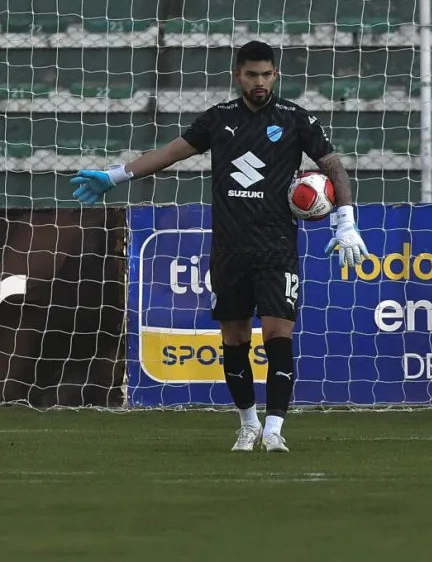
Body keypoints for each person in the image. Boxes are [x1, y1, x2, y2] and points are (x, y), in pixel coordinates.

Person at [70, 40, 368, 452]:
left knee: (279, 333)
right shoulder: (219, 119)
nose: (259, 82)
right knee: (235, 338)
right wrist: (114, 176)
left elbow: (332, 165)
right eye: (251, 75)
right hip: (229, 248)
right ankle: (247, 423)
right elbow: (170, 153)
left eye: (266, 74)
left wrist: (346, 220)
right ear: (238, 75)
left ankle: (275, 429)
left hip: (277, 247)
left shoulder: (296, 119)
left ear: (275, 75)